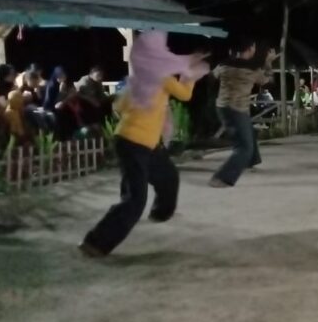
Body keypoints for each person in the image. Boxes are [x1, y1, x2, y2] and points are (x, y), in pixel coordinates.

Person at [80, 31, 209, 257]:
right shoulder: (161, 78)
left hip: (137, 141)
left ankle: (160, 213)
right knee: (136, 200)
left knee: (168, 176)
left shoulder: (138, 79)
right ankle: (96, 243)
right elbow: (185, 95)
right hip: (135, 143)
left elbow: (118, 107)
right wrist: (190, 76)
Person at [209, 39, 278, 188]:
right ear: (250, 49)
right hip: (237, 109)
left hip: (222, 106)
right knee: (244, 147)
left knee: (249, 132)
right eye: (254, 47)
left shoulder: (223, 64)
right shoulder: (252, 69)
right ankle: (221, 178)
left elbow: (211, 78)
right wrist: (268, 63)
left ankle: (251, 160)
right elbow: (269, 83)